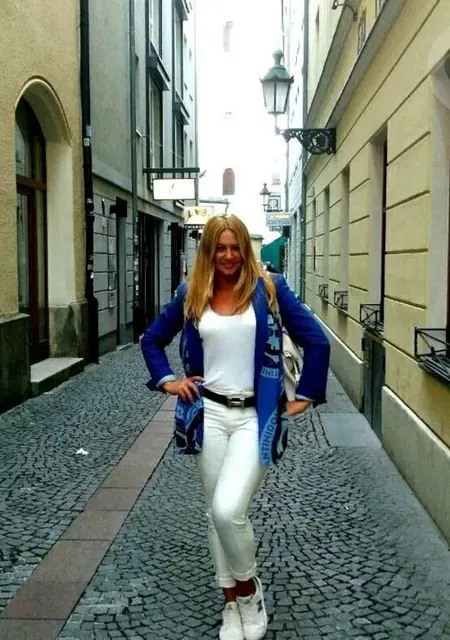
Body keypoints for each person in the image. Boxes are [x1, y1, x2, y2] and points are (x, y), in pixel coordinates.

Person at [141, 214, 330, 640]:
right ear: (208, 251)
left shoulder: (269, 289)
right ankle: (231, 603)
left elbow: (316, 340)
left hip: (254, 417)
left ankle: (249, 591)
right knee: (216, 514)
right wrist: (168, 380)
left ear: (245, 248)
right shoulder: (192, 293)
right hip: (208, 415)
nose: (228, 256)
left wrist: (305, 395)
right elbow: (151, 339)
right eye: (219, 248)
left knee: (229, 509)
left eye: (234, 247)